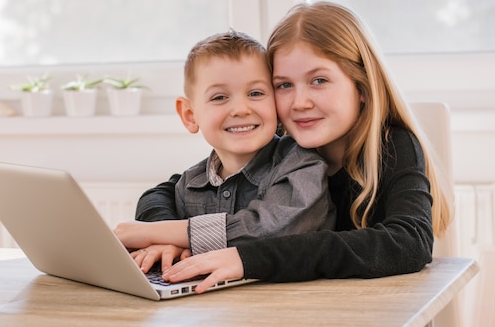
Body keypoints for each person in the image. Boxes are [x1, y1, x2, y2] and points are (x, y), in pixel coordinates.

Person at [132, 1, 452, 293]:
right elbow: (168, 189)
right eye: (284, 85)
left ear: (363, 87)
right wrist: (160, 237)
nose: (300, 102)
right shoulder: (282, 143)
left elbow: (408, 244)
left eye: (319, 80)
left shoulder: (392, 146)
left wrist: (248, 257)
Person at [114, 30, 335, 273]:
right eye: (219, 97)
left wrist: (156, 232)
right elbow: (163, 224)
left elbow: (270, 230)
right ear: (190, 115)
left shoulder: (301, 165)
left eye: (256, 93)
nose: (241, 109)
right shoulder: (190, 183)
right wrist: (167, 244)